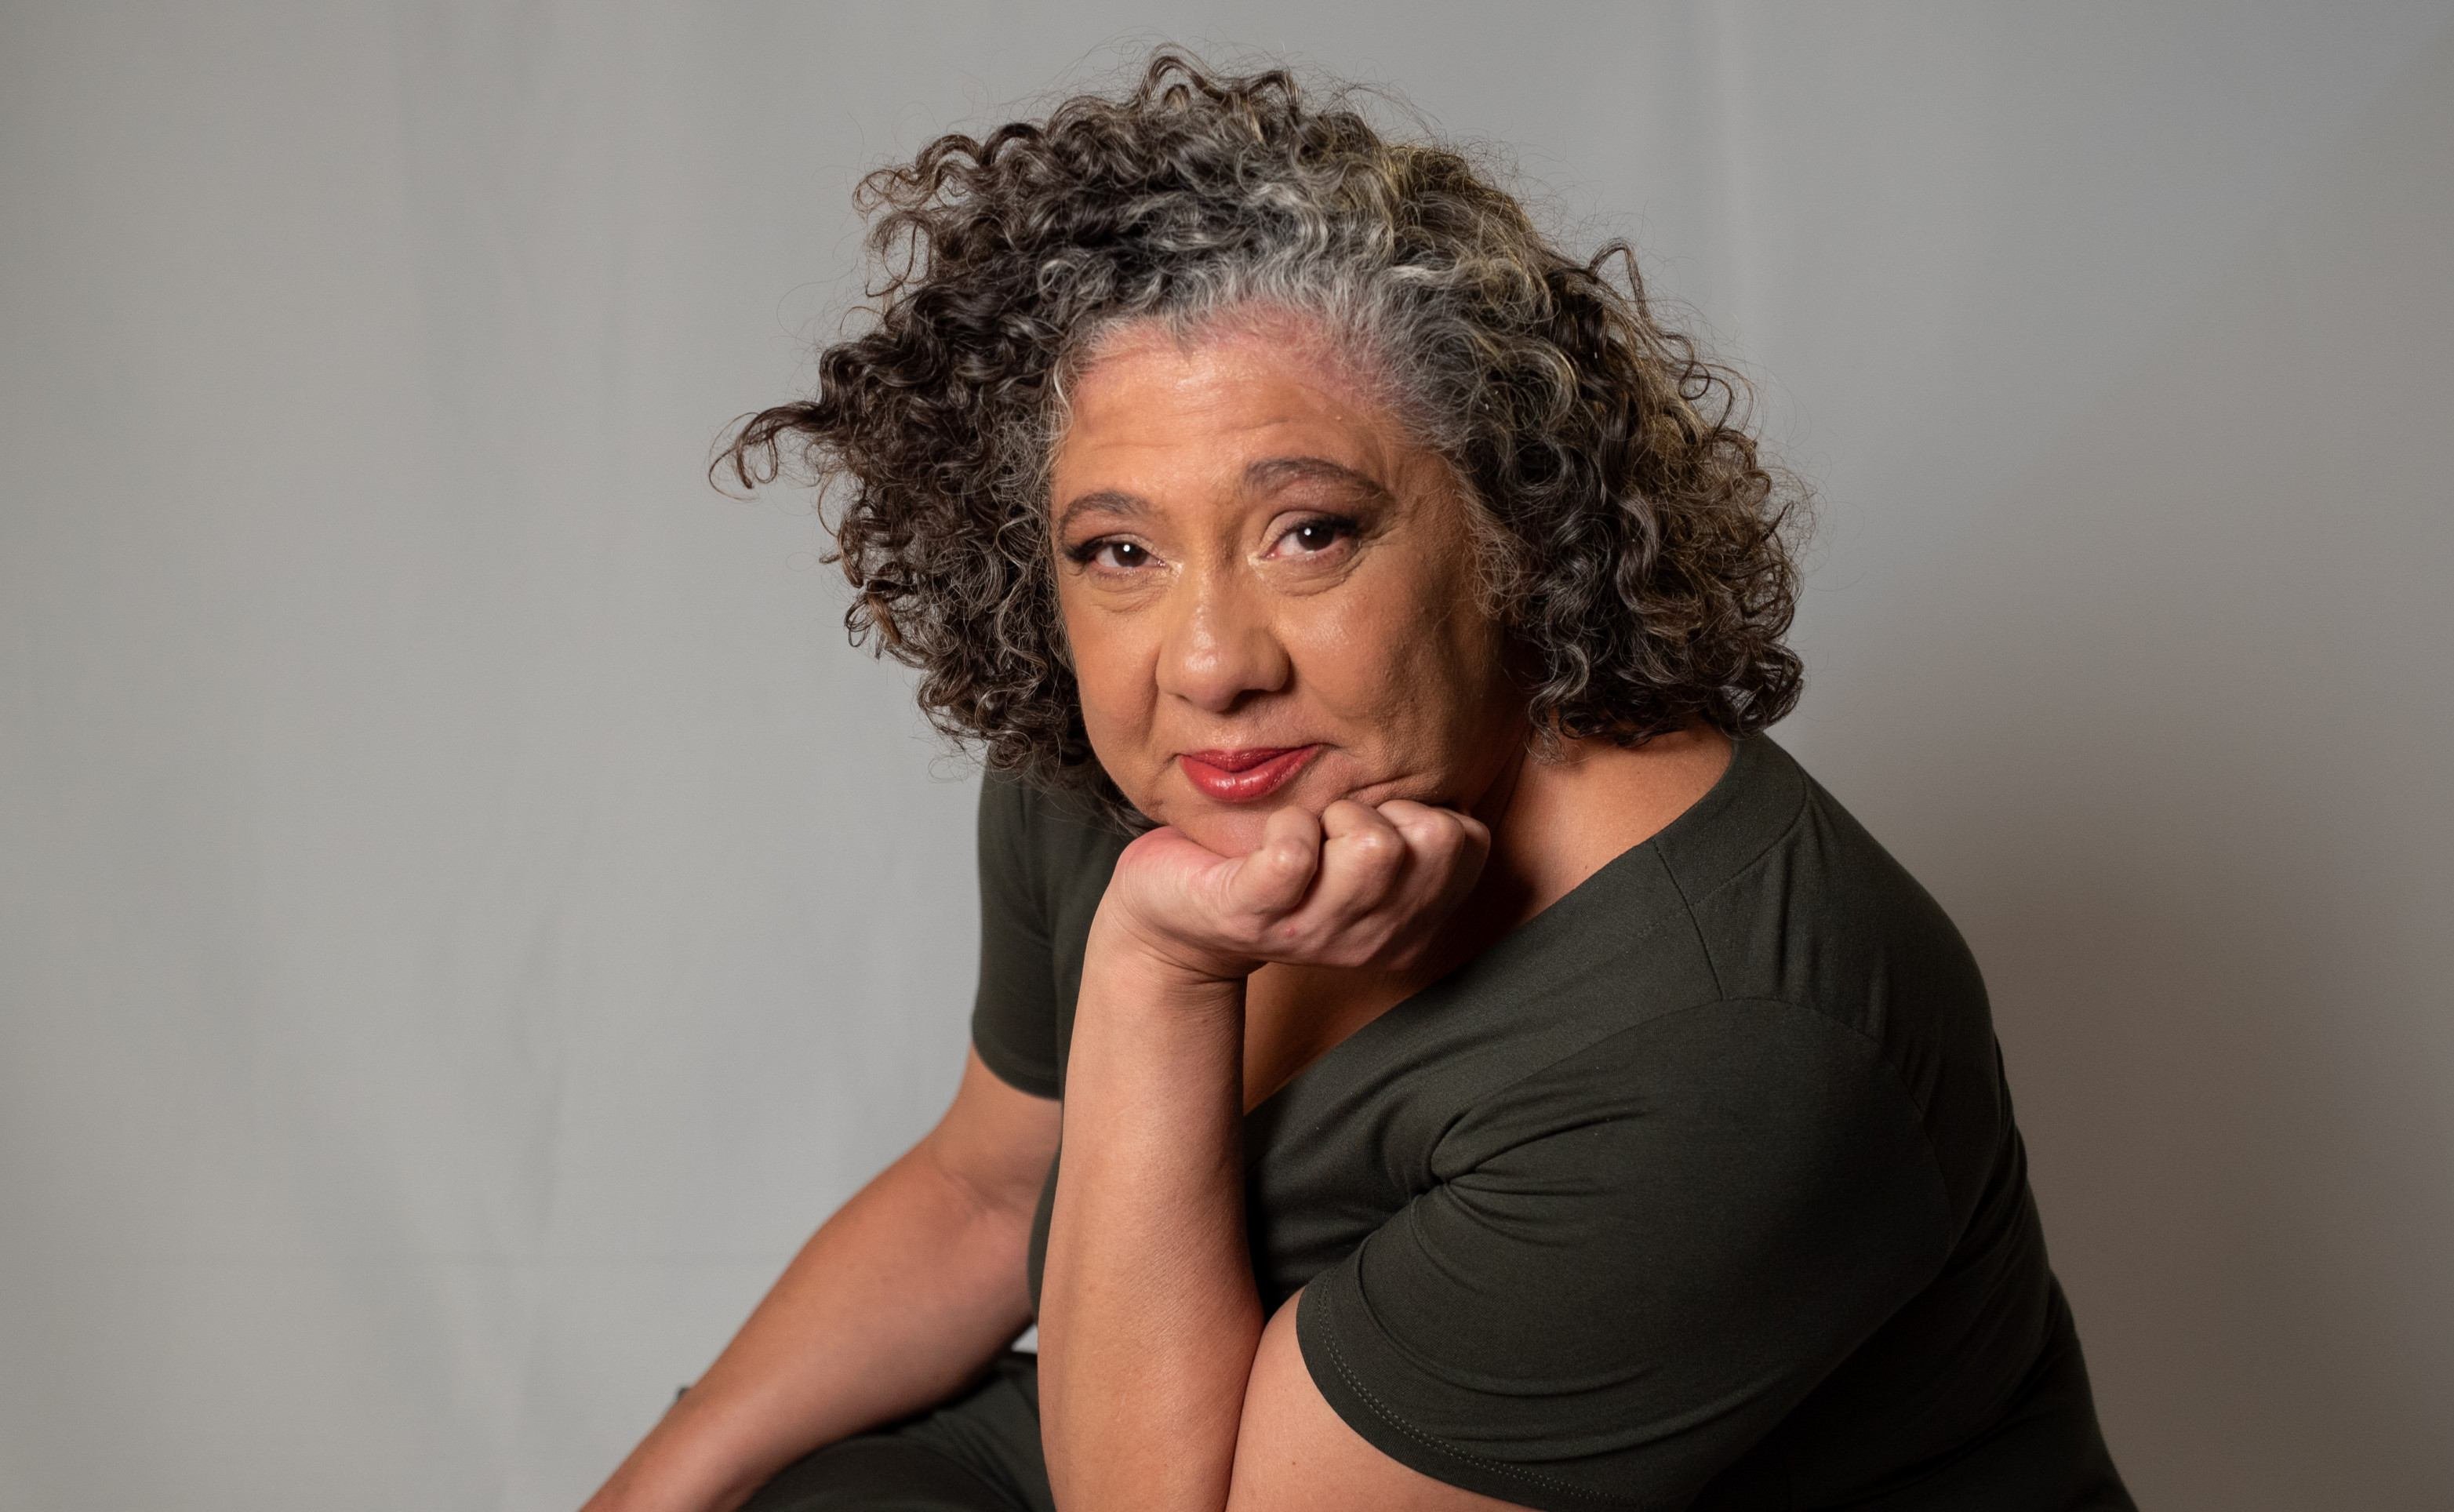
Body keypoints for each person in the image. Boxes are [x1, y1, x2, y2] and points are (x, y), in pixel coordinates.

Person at [581, 50, 2134, 1512]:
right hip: (1183, 1422)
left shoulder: (1732, 1033)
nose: (1207, 662)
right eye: (1117, 552)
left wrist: (1156, 970)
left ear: (1511, 526)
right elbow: (986, 1199)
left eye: (1307, 532)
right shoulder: (1149, 765)